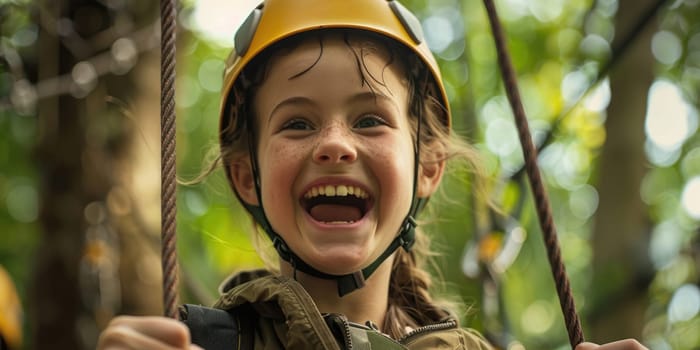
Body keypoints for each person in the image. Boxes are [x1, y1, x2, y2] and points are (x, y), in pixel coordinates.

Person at [98, 0, 649, 349]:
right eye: (296, 123)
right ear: (248, 178)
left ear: (428, 167)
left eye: (368, 119)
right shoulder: (200, 344)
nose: (335, 144)